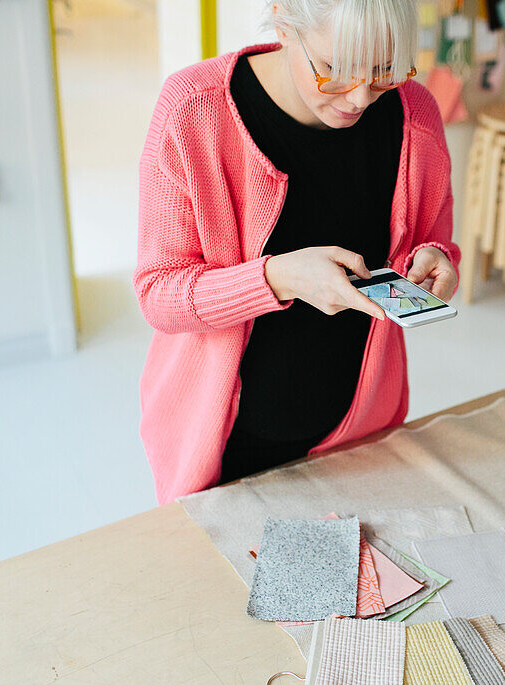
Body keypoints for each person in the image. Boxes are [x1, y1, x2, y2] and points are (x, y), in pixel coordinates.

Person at [135, 0, 459, 503]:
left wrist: (437, 258)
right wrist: (278, 278)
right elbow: (158, 292)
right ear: (285, 23)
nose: (358, 98)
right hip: (224, 446)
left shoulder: (414, 115)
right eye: (334, 71)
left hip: (357, 431)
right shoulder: (192, 112)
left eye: (383, 73)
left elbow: (433, 240)